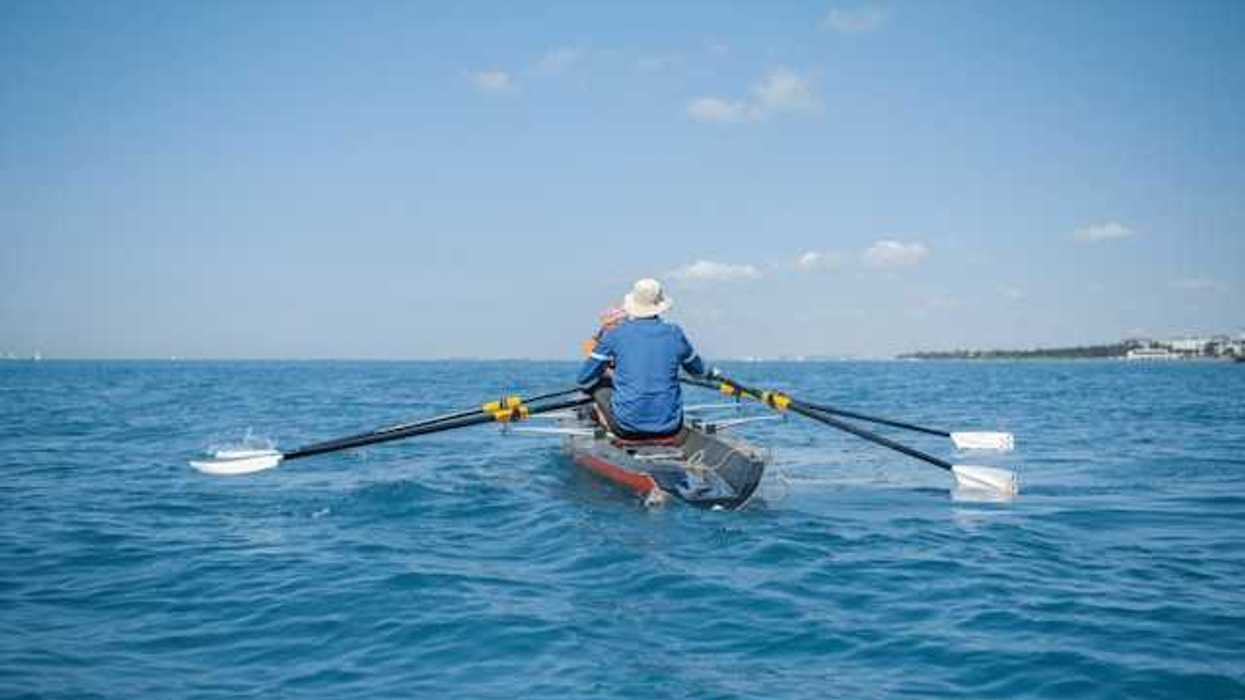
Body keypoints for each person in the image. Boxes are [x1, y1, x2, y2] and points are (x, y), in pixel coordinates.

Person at [576, 278, 716, 439]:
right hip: (671, 426)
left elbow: (583, 379)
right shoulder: (675, 333)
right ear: (660, 306)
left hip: (626, 427)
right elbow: (698, 372)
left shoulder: (615, 335)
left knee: (600, 388)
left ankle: (607, 432)